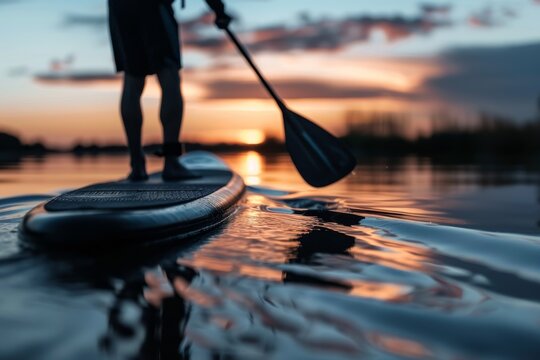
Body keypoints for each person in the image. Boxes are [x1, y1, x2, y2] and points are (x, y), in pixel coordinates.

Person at [108, 0, 231, 181]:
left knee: (133, 79)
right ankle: (171, 162)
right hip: (153, 8)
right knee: (169, 74)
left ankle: (137, 165)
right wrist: (219, 10)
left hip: (119, 7)